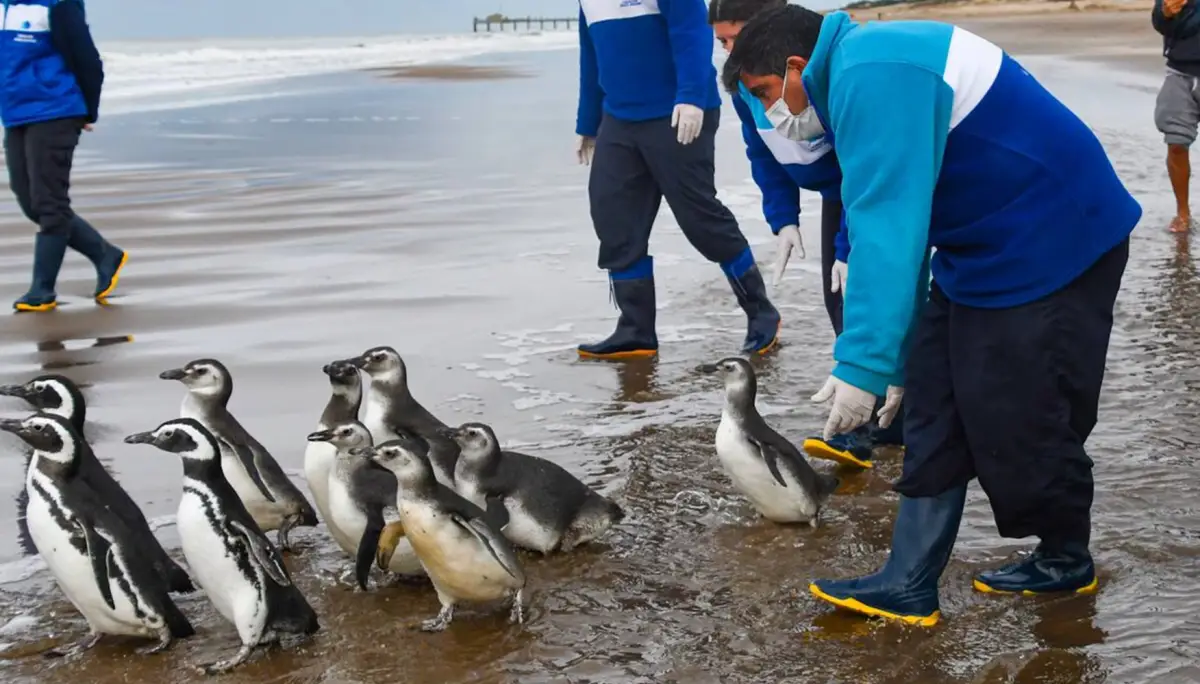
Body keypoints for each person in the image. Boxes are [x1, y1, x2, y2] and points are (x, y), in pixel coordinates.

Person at [724, 5, 1141, 626]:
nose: (769, 114)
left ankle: (1064, 559)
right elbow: (899, 220)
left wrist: (861, 364)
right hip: (980, 240)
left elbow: (889, 224)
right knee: (935, 400)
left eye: (764, 94)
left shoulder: (875, 72)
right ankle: (908, 581)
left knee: (1019, 410)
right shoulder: (849, 72)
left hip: (1055, 236)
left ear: (795, 66)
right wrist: (892, 358)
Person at [709, 0, 903, 470]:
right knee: (836, 299)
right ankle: (879, 415)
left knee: (859, 297)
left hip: (860, 192)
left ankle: (867, 427)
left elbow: (861, 170)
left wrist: (846, 246)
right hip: (835, 195)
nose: (731, 52)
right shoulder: (748, 88)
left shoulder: (821, 80)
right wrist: (784, 218)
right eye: (722, 43)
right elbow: (762, 154)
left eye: (737, 38)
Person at [574, 0, 781, 359]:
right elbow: (590, 54)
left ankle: (761, 312)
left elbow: (692, 33)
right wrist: (587, 122)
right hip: (619, 119)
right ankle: (635, 330)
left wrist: (690, 96)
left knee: (700, 217)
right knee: (614, 219)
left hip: (679, 111)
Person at [1, 0, 126, 313]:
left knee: (49, 203)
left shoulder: (59, 5)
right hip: (15, 114)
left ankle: (41, 290)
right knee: (31, 203)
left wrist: (89, 111)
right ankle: (104, 254)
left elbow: (88, 60)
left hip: (56, 110)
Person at [1153, 0, 1200, 233]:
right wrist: (1164, 13)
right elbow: (1160, 23)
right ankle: (1183, 213)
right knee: (1176, 144)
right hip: (1180, 72)